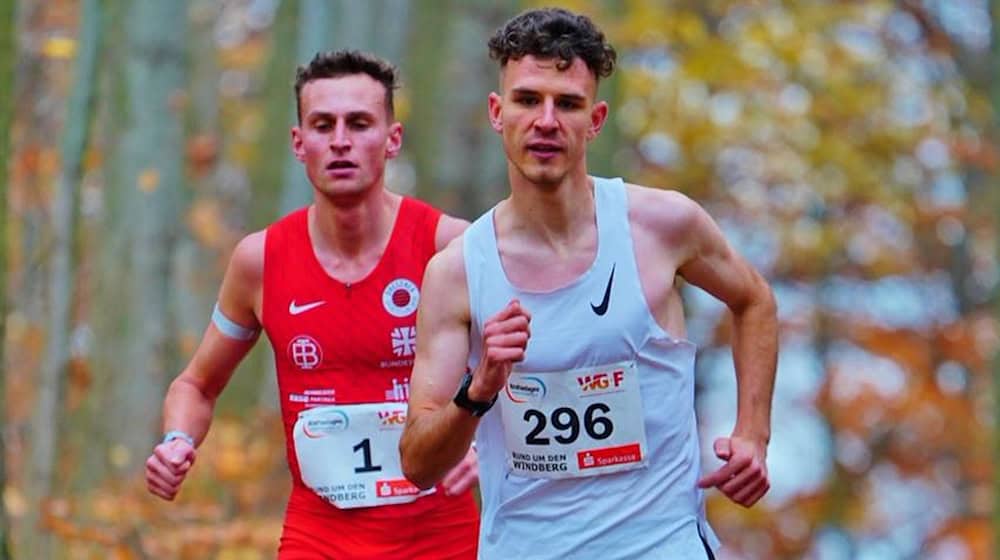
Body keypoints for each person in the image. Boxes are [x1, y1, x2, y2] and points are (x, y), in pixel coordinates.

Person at [400, 8, 778, 559]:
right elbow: (417, 463)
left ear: (596, 119)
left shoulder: (661, 226)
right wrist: (478, 390)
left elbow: (754, 300)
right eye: (528, 100)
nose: (546, 121)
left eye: (568, 104)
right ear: (496, 112)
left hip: (660, 543)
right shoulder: (458, 271)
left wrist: (753, 435)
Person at [144, 50, 480, 559]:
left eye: (359, 123)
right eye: (323, 125)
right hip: (318, 536)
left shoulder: (450, 247)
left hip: (440, 534)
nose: (340, 141)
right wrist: (177, 440)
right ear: (299, 144)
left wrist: (490, 441)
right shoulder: (261, 260)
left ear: (392, 140)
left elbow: (528, 366)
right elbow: (196, 385)